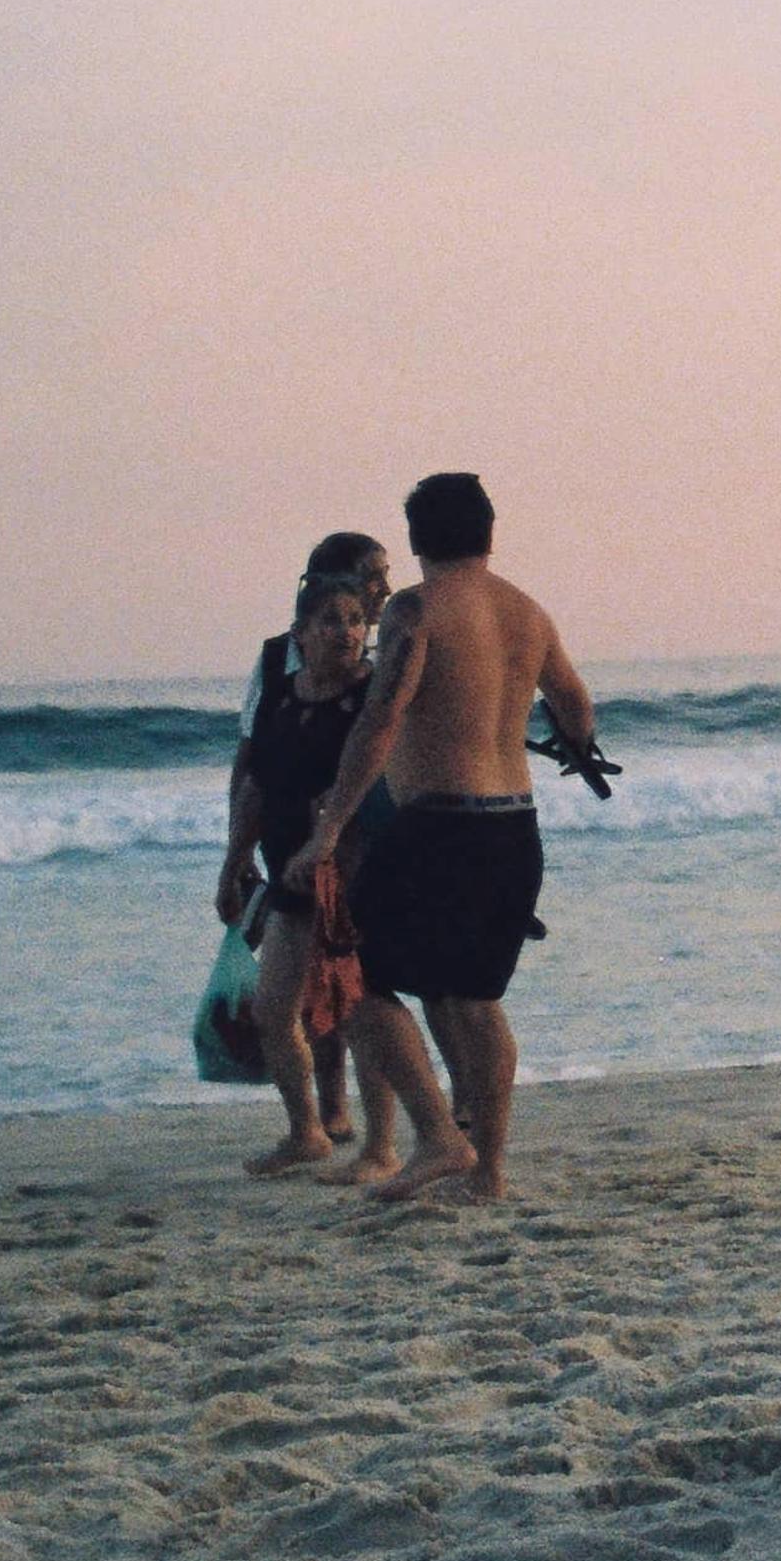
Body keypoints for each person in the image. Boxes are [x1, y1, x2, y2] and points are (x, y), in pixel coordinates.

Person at [294, 473, 595, 1204]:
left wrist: (329, 827)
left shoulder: (416, 608)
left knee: (349, 976)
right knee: (474, 999)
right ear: (489, 532)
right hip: (513, 826)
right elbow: (575, 703)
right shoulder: (528, 612)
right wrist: (577, 747)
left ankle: (438, 1137)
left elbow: (381, 719)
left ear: (416, 539)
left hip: (439, 826)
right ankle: (487, 1173)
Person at [228, 568, 409, 1180]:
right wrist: (234, 859)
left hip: (354, 877)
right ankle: (305, 1132)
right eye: (330, 621)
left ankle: (381, 1147)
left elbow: (390, 778)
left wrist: (341, 832)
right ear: (300, 632)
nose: (347, 633)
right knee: (272, 1010)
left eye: (356, 621)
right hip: (290, 872)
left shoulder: (372, 699)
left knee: (361, 1012)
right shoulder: (283, 695)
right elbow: (257, 783)